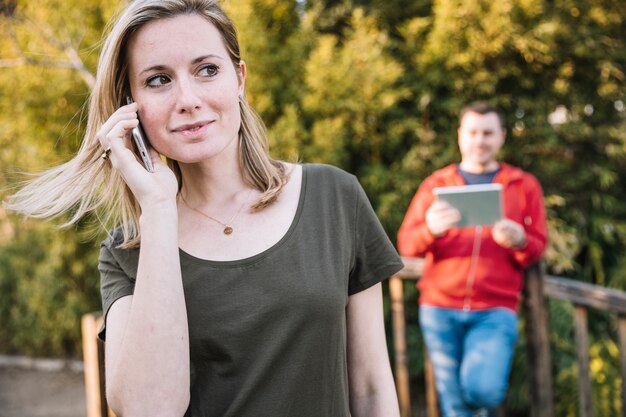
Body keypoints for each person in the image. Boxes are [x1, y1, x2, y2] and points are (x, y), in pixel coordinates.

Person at [4, 1, 404, 416]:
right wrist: (159, 209)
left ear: (240, 79)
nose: (188, 99)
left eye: (208, 70)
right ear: (131, 107)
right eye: (158, 80)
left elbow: (373, 389)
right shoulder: (127, 251)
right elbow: (149, 410)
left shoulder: (334, 196)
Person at [397, 102, 548, 417]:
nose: (480, 140)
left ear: (501, 137)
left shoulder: (524, 185)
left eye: (488, 133)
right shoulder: (435, 184)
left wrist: (520, 240)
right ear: (460, 136)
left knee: (483, 390)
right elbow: (406, 245)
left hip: (495, 310)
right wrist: (431, 230)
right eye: (473, 132)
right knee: (454, 406)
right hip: (439, 309)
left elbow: (538, 246)